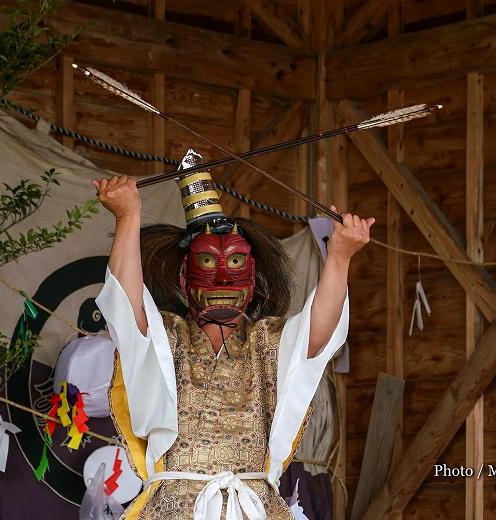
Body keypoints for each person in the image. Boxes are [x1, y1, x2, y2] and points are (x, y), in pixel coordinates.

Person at [93, 153, 373, 520]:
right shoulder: (168, 338)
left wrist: (340, 257)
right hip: (175, 507)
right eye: (208, 263)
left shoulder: (266, 341)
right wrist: (127, 217)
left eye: (237, 263)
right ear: (183, 278)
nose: (224, 278)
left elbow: (317, 338)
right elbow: (126, 309)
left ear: (253, 278)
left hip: (252, 507)